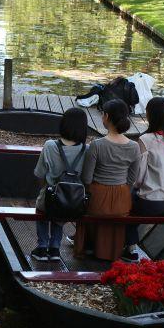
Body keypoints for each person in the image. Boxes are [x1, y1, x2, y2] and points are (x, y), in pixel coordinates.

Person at [74, 99, 140, 261]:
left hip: (98, 197)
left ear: (106, 116)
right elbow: (132, 178)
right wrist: (121, 190)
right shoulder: (134, 146)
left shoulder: (97, 145)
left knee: (85, 206)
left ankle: (88, 245)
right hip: (121, 200)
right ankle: (115, 249)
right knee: (118, 214)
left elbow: (87, 178)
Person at [121, 96, 164, 262]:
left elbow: (138, 178)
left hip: (152, 204)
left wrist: (129, 187)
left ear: (149, 115)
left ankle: (131, 248)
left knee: (125, 202)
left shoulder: (145, 140)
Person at [31, 107, 88, 262]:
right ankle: (55, 248)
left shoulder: (50, 145)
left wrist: (45, 187)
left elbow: (39, 174)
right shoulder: (86, 149)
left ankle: (42, 247)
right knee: (63, 205)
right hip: (74, 201)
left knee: (44, 203)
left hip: (49, 198)